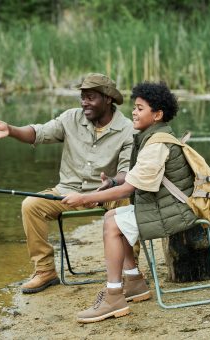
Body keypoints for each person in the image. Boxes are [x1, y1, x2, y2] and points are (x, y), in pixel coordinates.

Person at [0, 73, 134, 294]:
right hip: (68, 193)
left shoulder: (128, 129)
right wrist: (11, 130)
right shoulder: (71, 118)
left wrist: (111, 182)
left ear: (108, 99)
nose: (84, 103)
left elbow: (125, 173)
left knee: (128, 203)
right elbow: (38, 133)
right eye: (82, 97)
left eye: (90, 97)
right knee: (31, 205)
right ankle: (45, 271)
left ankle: (130, 271)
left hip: (106, 194)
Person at [62, 81, 198, 323]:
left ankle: (114, 294)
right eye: (134, 107)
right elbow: (129, 184)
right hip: (168, 208)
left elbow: (128, 188)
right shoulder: (153, 137)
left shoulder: (156, 144)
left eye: (140, 108)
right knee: (113, 216)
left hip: (175, 213)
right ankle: (134, 281)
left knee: (113, 224)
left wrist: (84, 197)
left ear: (157, 115)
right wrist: (108, 186)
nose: (134, 112)